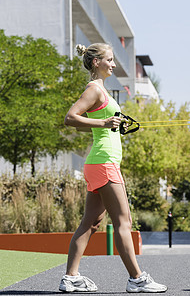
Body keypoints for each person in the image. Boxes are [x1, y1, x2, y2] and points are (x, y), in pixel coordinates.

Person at [60, 43, 167, 293]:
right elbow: (70, 118)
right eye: (110, 60)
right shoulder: (94, 89)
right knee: (123, 222)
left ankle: (70, 278)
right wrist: (104, 121)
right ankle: (137, 279)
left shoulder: (101, 91)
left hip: (100, 162)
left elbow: (84, 125)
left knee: (91, 223)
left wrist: (109, 125)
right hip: (104, 162)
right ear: (96, 62)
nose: (114, 64)